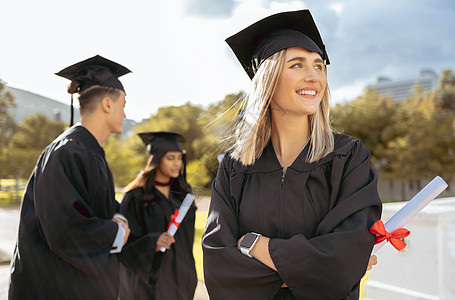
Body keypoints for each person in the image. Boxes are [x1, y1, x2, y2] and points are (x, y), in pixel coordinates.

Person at [202, 10, 382, 300]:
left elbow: (339, 266)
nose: (314, 76)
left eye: (319, 66)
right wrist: (306, 270)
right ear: (268, 80)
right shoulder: (235, 168)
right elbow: (219, 270)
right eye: (297, 65)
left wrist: (253, 245)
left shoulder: (347, 157)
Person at [9, 55, 131, 300]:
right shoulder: (67, 152)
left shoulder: (88, 151)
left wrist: (117, 216)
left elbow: (96, 208)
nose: (125, 114)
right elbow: (65, 228)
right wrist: (116, 232)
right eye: (123, 105)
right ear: (107, 104)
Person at [118, 131, 197, 300]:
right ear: (156, 159)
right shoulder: (135, 197)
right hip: (148, 284)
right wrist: (152, 242)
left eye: (179, 157)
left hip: (181, 279)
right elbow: (123, 245)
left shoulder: (183, 196)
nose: (177, 163)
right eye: (170, 158)